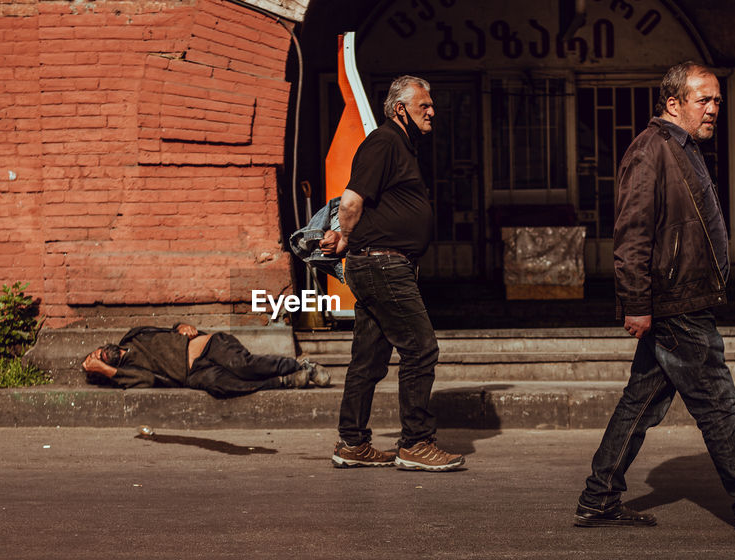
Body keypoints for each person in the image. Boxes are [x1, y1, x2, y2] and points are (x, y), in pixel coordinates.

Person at [573, 62, 735, 537]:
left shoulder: (681, 149)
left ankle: (598, 497)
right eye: (702, 100)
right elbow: (631, 234)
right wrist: (635, 302)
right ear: (673, 103)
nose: (712, 109)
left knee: (641, 402)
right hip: (676, 301)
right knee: (717, 404)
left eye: (717, 101)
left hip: (682, 297)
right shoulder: (650, 151)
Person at [318, 75, 464, 472]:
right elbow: (350, 201)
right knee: (421, 348)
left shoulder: (401, 145)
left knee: (369, 358)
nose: (432, 111)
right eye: (424, 106)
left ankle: (352, 442)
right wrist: (345, 237)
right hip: (383, 264)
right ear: (400, 109)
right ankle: (415, 442)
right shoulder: (383, 142)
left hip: (377, 265)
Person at [82, 323, 330, 397]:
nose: (96, 355)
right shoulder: (126, 375)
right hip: (194, 374)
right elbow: (146, 380)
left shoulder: (133, 334)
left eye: (94, 352)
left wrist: (181, 325)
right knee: (222, 386)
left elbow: (169, 328)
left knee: (242, 366)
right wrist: (103, 369)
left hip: (206, 345)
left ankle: (301, 365)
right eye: (95, 361)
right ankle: (286, 381)